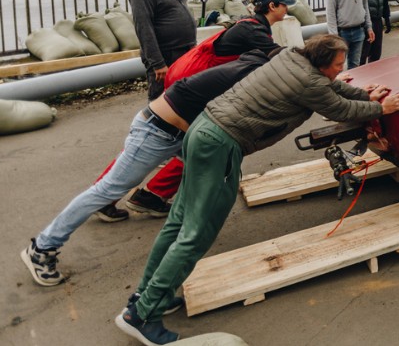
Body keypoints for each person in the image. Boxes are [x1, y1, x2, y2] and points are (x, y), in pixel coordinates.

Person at [116, 34, 399, 345]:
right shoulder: (309, 82)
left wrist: (364, 95)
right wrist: (381, 108)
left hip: (202, 130)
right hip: (220, 144)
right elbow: (339, 109)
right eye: (338, 65)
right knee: (196, 233)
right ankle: (142, 315)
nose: (341, 69)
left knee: (178, 221)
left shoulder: (292, 58)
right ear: (322, 63)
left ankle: (148, 295)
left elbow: (334, 87)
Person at [21, 49, 276, 288]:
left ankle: (157, 207)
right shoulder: (254, 73)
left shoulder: (256, 63)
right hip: (157, 131)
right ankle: (42, 247)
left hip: (180, 133)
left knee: (207, 172)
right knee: (107, 189)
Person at [113, 0, 296, 219]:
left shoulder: (252, 24)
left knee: (180, 145)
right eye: (284, 4)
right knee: (199, 144)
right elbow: (280, 58)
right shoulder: (255, 30)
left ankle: (143, 194)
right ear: (272, 6)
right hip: (192, 86)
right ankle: (117, 194)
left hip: (189, 79)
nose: (287, 8)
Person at [129, 0, 196, 101]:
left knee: (185, 98)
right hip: (166, 55)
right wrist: (158, 64)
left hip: (184, 51)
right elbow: (144, 28)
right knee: (162, 101)